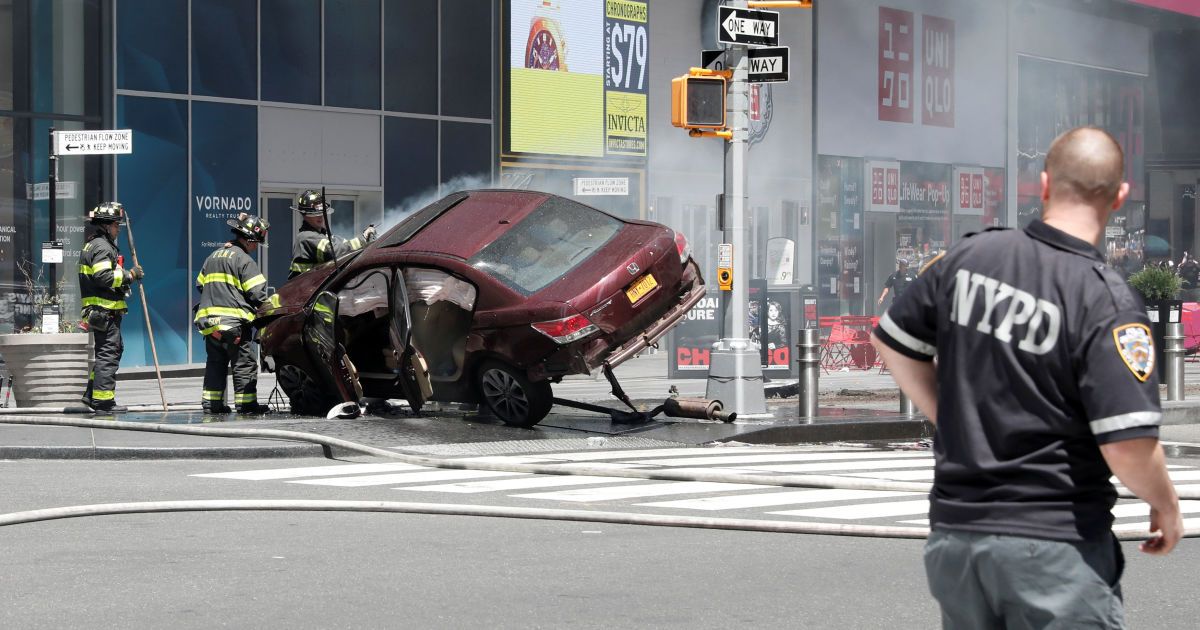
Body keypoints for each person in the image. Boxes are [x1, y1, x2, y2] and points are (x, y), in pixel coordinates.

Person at [871, 127, 1182, 628]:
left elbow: (892, 340)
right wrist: (1165, 503)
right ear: (1119, 196)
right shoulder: (1105, 299)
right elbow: (1128, 445)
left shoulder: (968, 257)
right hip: (1054, 541)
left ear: (1045, 184)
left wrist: (948, 416)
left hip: (957, 537)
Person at [194, 213, 272, 414]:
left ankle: (212, 405)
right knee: (244, 365)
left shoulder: (213, 256)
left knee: (216, 363)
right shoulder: (244, 260)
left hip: (210, 325)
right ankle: (246, 405)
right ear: (248, 240)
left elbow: (200, 285)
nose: (255, 247)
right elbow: (257, 294)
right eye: (255, 243)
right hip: (235, 326)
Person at [78, 202, 143, 413]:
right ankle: (103, 403)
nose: (118, 229)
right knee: (108, 354)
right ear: (106, 226)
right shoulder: (102, 247)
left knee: (110, 352)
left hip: (100, 311)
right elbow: (103, 276)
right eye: (116, 225)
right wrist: (129, 275)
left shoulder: (94, 244)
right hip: (105, 311)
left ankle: (91, 395)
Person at [287, 189, 376, 279]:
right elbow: (334, 252)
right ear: (305, 215)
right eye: (315, 214)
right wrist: (363, 239)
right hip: (305, 286)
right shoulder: (306, 237)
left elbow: (343, 245)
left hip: (314, 285)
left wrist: (367, 240)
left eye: (322, 213)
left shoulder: (323, 235)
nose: (320, 216)